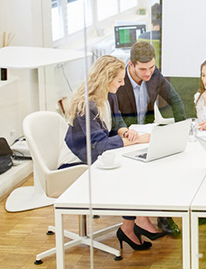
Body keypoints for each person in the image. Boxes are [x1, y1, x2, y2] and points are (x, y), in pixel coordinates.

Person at [61, 55, 166, 252]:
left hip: (98, 154)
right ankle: (130, 227)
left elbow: (116, 123)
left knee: (138, 168)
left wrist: (125, 132)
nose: (122, 83)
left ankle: (133, 224)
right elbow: (99, 145)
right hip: (77, 162)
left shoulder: (109, 95)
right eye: (119, 80)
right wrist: (136, 140)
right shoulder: (87, 106)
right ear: (106, 79)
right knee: (129, 174)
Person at [113, 41, 186, 236]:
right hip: (123, 137)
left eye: (151, 67)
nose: (148, 73)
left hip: (146, 135)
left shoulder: (154, 75)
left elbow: (175, 100)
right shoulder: (118, 81)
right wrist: (127, 134)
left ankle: (162, 215)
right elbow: (113, 117)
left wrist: (182, 129)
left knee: (165, 166)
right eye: (143, 69)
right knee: (137, 174)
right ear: (131, 65)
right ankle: (138, 219)